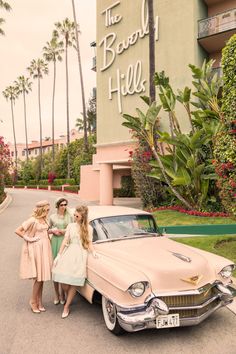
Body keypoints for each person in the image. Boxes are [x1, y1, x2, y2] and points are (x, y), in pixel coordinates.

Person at [52, 205, 98, 319]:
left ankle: (67, 306)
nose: (74, 217)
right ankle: (68, 296)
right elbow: (65, 241)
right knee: (63, 280)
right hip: (69, 253)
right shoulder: (70, 226)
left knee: (74, 281)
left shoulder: (89, 228)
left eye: (77, 215)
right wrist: (59, 255)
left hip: (81, 254)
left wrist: (93, 252)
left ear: (82, 216)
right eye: (74, 214)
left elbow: (89, 243)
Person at [15, 200, 52, 314]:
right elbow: (17, 230)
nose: (48, 211)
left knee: (42, 278)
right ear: (42, 209)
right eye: (47, 209)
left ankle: (39, 301)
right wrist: (29, 238)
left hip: (45, 248)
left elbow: (46, 232)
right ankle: (33, 301)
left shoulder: (44, 219)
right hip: (37, 249)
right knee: (38, 278)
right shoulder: (33, 220)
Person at [49, 197, 73, 305]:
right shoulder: (52, 217)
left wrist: (63, 231)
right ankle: (56, 293)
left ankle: (63, 293)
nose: (64, 207)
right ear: (57, 206)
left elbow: (72, 228)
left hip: (66, 242)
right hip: (55, 242)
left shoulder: (70, 216)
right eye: (62, 205)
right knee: (55, 268)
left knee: (63, 269)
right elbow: (47, 230)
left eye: (65, 204)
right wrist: (53, 231)